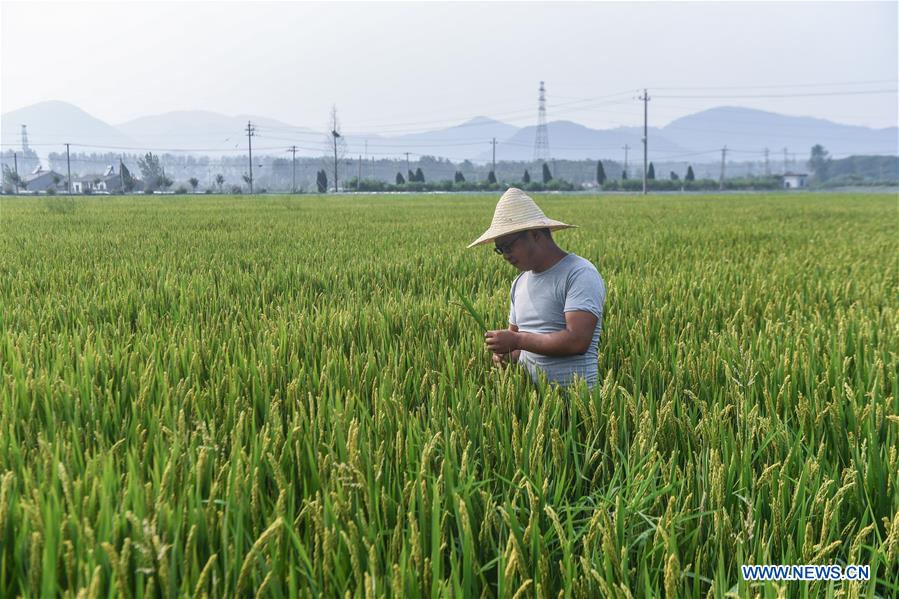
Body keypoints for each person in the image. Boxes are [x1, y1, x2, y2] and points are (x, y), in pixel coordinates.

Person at [467, 187, 606, 389]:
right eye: (500, 250)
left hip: (577, 404)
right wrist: (506, 354)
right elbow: (521, 348)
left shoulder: (579, 273)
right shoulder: (519, 283)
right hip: (531, 404)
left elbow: (577, 341)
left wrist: (516, 340)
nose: (505, 255)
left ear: (535, 235)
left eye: (508, 246)